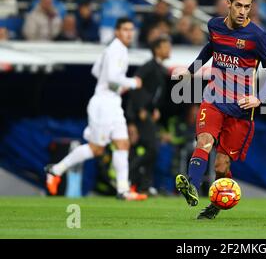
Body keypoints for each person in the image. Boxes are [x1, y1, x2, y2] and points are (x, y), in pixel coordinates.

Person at [174, 0, 266, 219]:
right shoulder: (214, 25)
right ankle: (191, 186)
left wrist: (260, 98)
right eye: (239, 6)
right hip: (213, 98)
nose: (243, 11)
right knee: (204, 141)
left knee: (222, 166)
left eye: (248, 7)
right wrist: (192, 70)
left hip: (241, 108)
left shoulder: (258, 36)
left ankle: (215, 207)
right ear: (229, 4)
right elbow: (210, 49)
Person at [45, 18, 147, 201]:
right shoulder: (116, 49)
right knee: (96, 149)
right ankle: (56, 169)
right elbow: (111, 76)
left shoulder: (113, 49)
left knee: (123, 143)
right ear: (117, 32)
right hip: (103, 105)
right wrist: (133, 83)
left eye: (131, 30)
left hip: (113, 103)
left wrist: (115, 86)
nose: (129, 33)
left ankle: (123, 190)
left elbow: (95, 71)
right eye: (125, 29)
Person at [126, 35, 172, 194]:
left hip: (148, 115)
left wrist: (155, 110)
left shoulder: (161, 69)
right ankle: (129, 177)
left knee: (150, 149)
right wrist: (140, 110)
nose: (169, 49)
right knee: (153, 149)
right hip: (141, 115)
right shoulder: (149, 66)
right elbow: (136, 86)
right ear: (157, 49)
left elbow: (155, 94)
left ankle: (143, 185)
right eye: (166, 46)